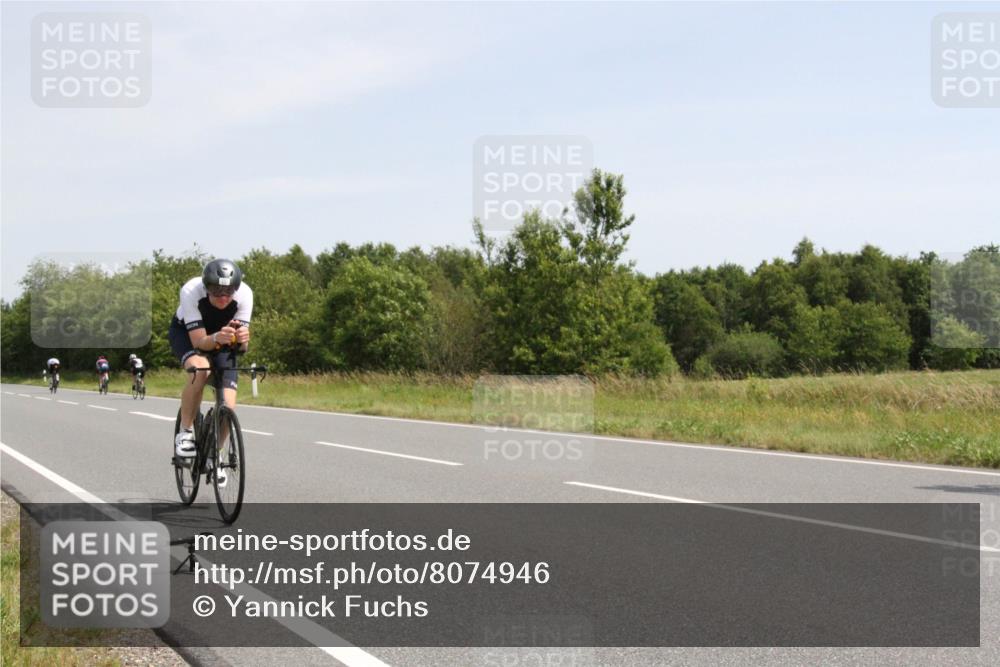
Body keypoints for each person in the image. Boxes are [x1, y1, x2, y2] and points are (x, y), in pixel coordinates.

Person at [168, 259, 253, 485]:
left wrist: (243, 340)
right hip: (188, 335)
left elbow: (241, 347)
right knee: (201, 370)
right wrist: (216, 337)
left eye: (229, 291)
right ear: (206, 287)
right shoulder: (191, 290)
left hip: (223, 338)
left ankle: (215, 455)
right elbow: (200, 342)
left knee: (228, 404)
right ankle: (185, 432)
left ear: (236, 288)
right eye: (216, 291)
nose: (223, 297)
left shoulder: (245, 294)